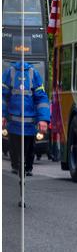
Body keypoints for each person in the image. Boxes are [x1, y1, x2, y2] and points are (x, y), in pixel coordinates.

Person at [2, 61, 50, 204]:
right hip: (13, 126)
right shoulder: (9, 73)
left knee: (28, 160)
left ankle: (24, 172)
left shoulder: (33, 74)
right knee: (16, 160)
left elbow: (41, 97)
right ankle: (19, 178)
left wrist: (43, 119)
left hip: (29, 128)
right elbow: (2, 96)